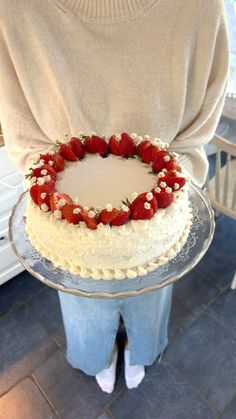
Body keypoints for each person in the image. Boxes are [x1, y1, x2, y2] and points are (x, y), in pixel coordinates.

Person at [0, 0, 229, 393]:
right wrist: (70, 210)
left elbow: (198, 129)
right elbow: (24, 135)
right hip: (69, 221)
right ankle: (97, 354)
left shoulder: (199, 8)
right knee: (84, 301)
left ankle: (141, 348)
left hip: (159, 214)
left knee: (151, 295)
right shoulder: (14, 11)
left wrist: (161, 204)